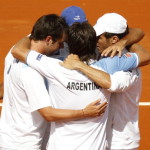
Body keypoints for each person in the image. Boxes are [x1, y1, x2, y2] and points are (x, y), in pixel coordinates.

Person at [11, 17, 147, 149]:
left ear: (68, 46)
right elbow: (144, 53)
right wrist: (123, 42)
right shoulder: (110, 66)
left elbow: (18, 50)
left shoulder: (54, 67)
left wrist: (34, 34)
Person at [0, 14, 108, 150]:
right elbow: (48, 113)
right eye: (60, 42)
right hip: (25, 143)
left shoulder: (13, 52)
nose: (62, 46)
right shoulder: (32, 73)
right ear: (49, 39)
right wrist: (84, 113)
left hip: (8, 136)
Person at [60, 13, 150, 150]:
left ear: (114, 39)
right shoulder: (108, 53)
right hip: (103, 138)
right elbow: (137, 31)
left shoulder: (127, 67)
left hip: (120, 142)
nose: (95, 41)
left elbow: (111, 84)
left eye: (99, 37)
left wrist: (79, 65)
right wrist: (123, 41)